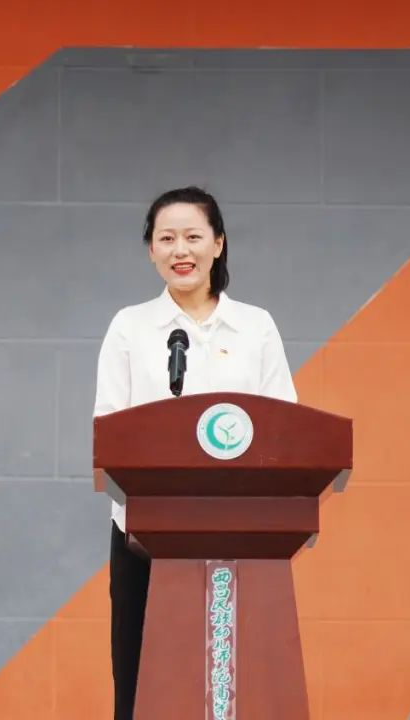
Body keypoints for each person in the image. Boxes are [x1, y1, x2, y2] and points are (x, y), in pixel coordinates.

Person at [93, 186, 297, 719]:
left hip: (243, 535)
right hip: (144, 537)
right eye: (166, 238)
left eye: (192, 236)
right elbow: (108, 430)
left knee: (242, 688)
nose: (180, 250)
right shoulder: (131, 327)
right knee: (143, 688)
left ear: (218, 243)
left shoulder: (255, 326)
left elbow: (286, 427)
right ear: (151, 250)